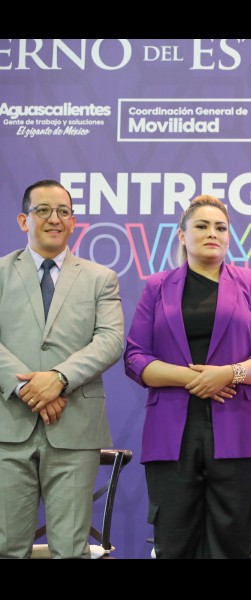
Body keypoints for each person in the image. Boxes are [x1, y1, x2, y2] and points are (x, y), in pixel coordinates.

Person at [124, 194, 251, 559]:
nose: (213, 233)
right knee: (174, 543)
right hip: (171, 433)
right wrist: (191, 378)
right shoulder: (157, 286)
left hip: (239, 429)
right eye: (202, 226)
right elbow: (135, 358)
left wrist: (229, 373)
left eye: (220, 227)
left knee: (233, 542)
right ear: (182, 234)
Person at [0, 179, 124, 559]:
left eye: (63, 211)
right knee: (7, 548)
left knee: (71, 550)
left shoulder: (101, 278)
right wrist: (27, 388)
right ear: (23, 220)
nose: (54, 219)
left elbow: (110, 340)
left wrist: (58, 379)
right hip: (8, 426)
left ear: (73, 222)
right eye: (43, 210)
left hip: (75, 428)